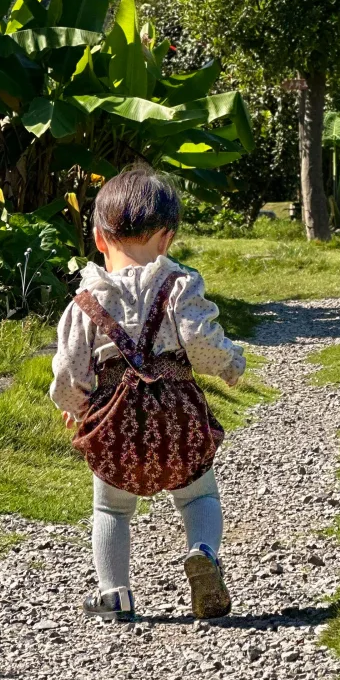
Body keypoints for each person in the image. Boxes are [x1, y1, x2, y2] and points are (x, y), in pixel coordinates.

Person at [49, 163, 245, 623]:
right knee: (198, 496)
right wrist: (230, 365)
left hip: (117, 419)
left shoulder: (85, 301)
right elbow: (199, 340)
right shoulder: (179, 285)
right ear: (167, 238)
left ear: (99, 240)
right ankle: (202, 553)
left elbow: (69, 369)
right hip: (175, 415)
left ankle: (115, 592)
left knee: (110, 508)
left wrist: (75, 407)